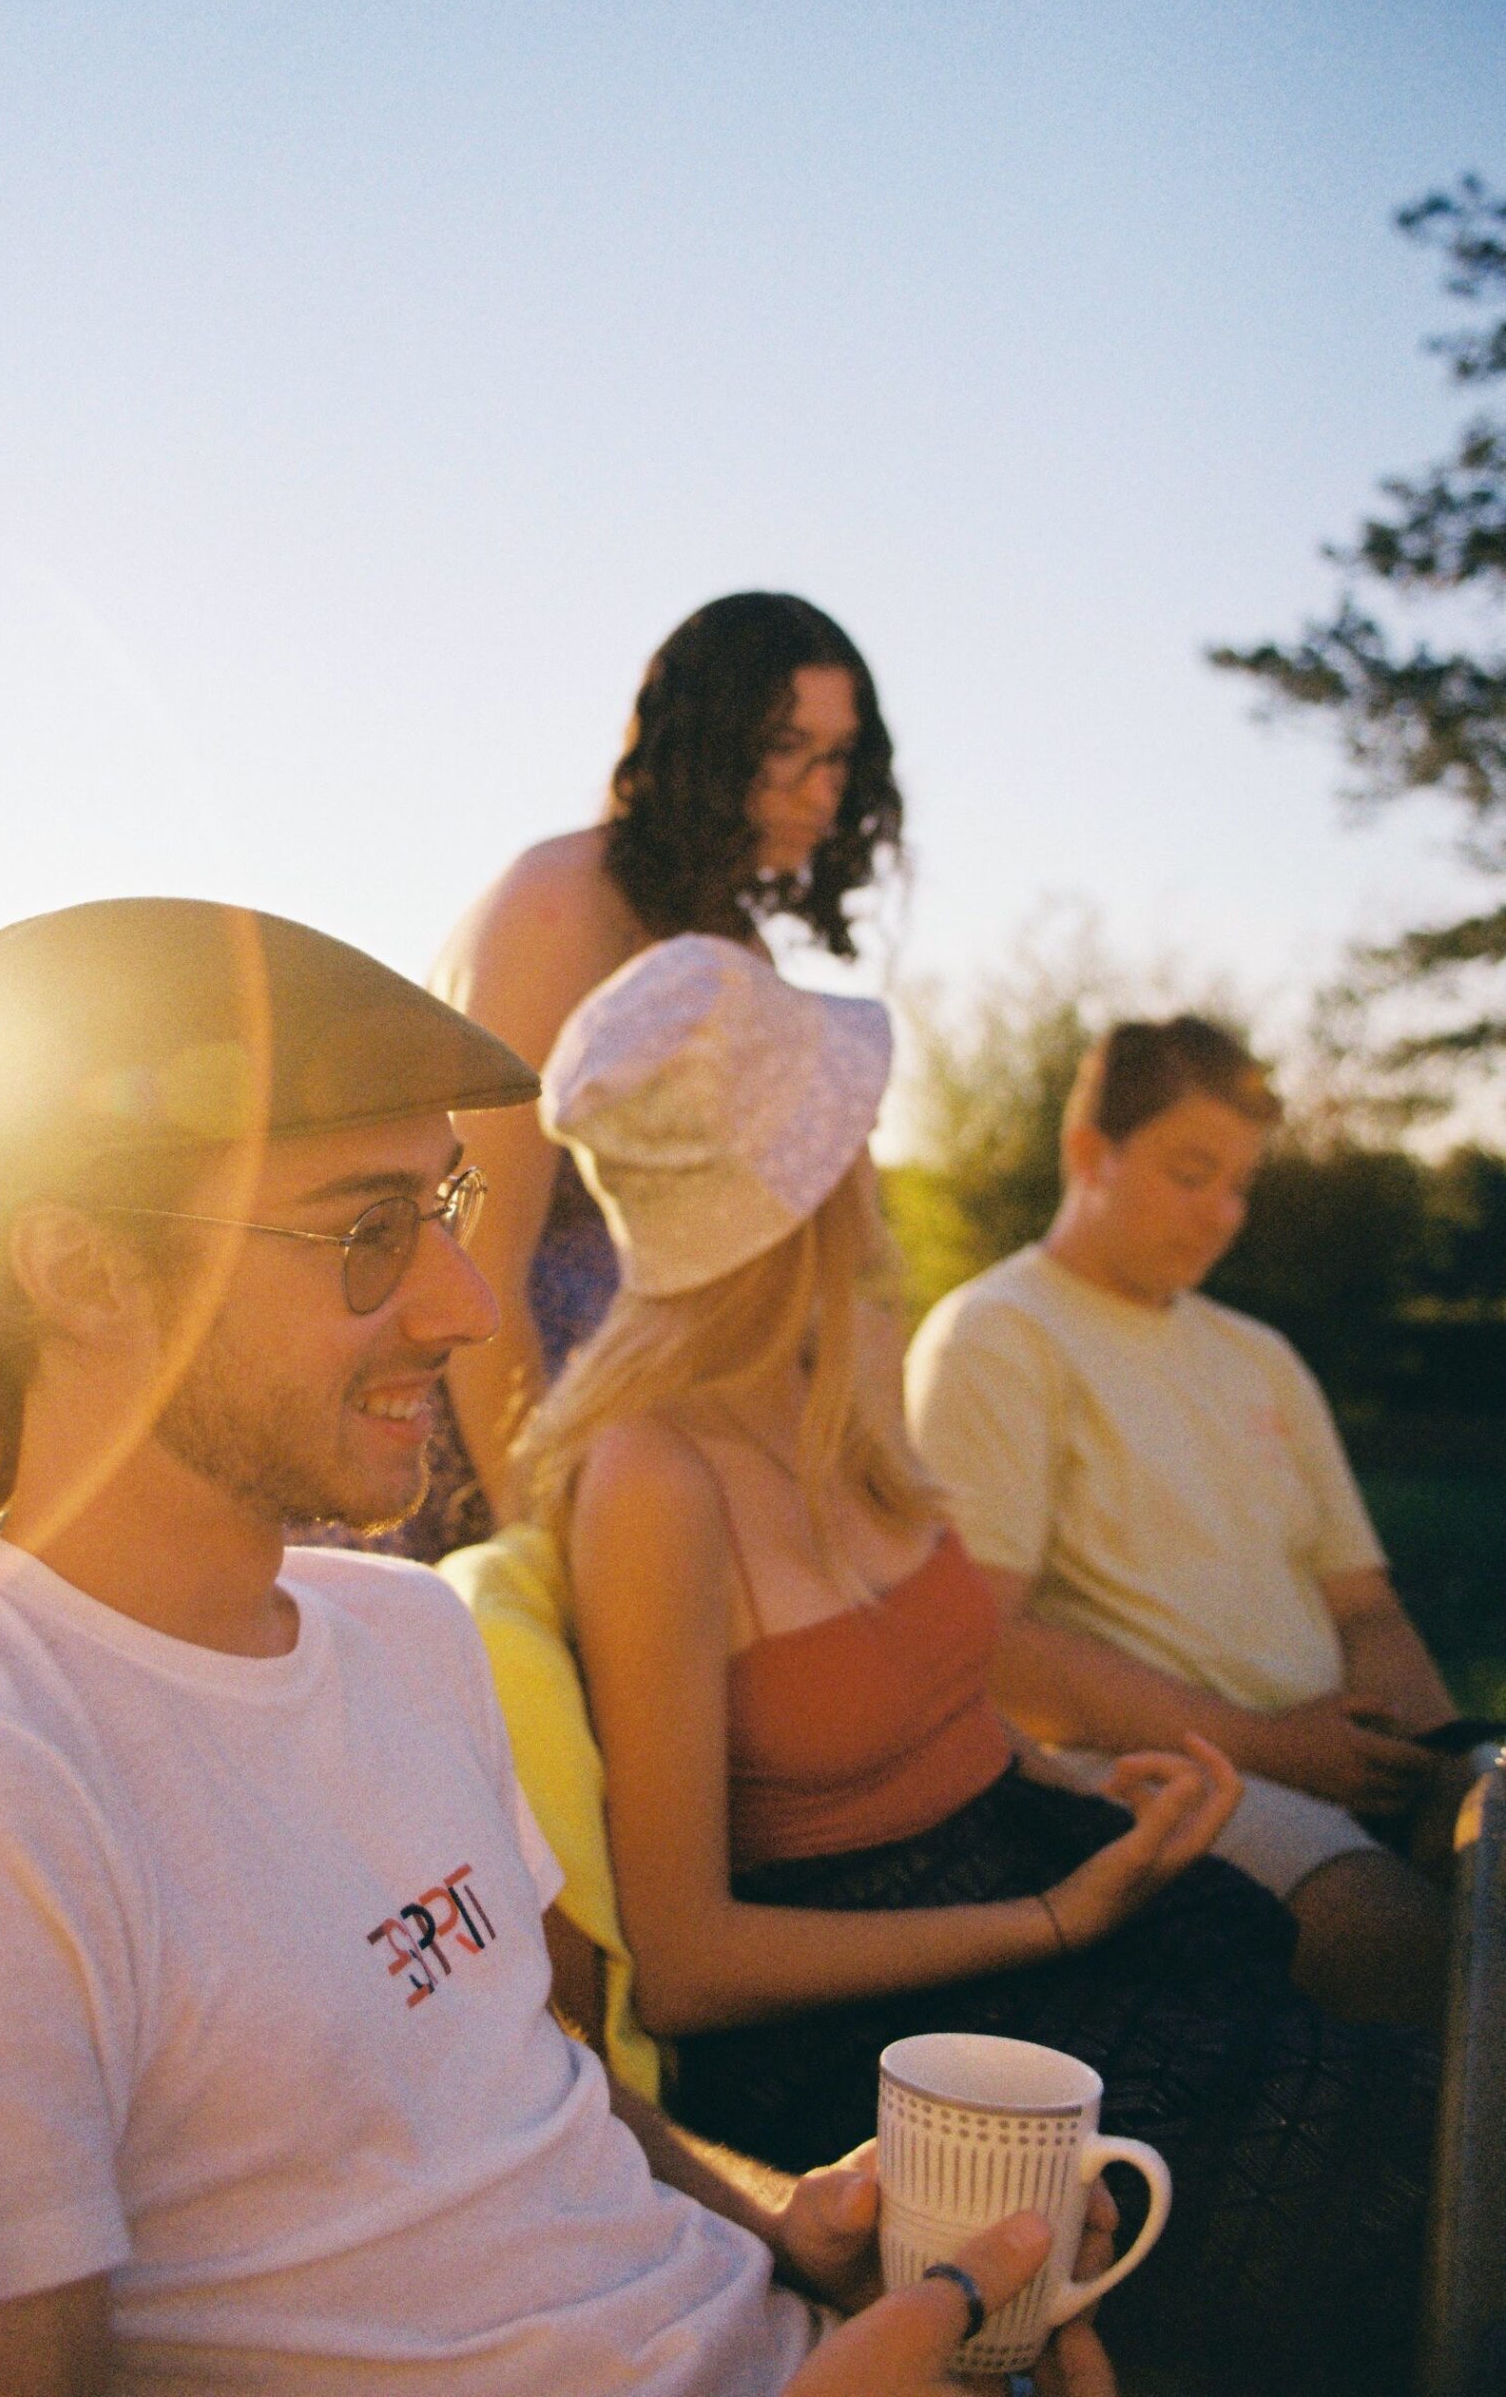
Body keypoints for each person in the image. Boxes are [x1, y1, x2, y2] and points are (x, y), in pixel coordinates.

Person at [0, 896, 1111, 2397]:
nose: (467, 1305)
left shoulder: (408, 1630)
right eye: (366, 1232)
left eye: (449, 1210)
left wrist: (788, 2220)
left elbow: (546, 2090)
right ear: (83, 1272)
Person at [523, 935, 1437, 2397]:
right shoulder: (652, 1476)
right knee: (1363, 2176)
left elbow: (948, 1698)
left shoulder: (848, 1365)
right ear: (808, 1181)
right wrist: (1057, 1919)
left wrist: (1079, 1780)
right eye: (845, 1131)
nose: (873, 1157)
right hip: (876, 2028)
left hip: (1029, 1873)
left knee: (1421, 2099)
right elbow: (688, 1966)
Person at [903, 1014, 1466, 2027]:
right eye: (1191, 1171)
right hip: (1175, 1777)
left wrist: (1443, 1768)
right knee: (1424, 1957)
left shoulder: (1260, 1355)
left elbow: (1367, 1608)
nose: (1221, 1214)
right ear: (1089, 1153)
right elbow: (975, 1644)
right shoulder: (998, 1335)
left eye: (1240, 1185)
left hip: (1338, 1761)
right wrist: (1268, 1744)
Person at [403, 589, 903, 1558]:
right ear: (703, 745)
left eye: (838, 757)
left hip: (658, 1435)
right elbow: (477, 1256)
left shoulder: (734, 948)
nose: (818, 790)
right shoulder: (558, 902)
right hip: (501, 1426)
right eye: (785, 747)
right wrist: (548, 1544)